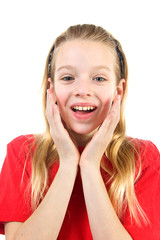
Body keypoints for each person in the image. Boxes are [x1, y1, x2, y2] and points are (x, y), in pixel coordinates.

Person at [0, 24, 159, 240]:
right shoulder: (22, 152)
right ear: (51, 89)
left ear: (118, 91)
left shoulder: (144, 158)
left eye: (99, 78)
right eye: (67, 78)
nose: (83, 90)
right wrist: (67, 163)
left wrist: (90, 165)